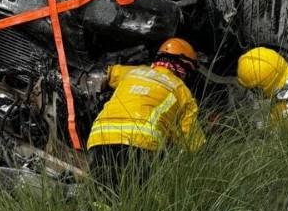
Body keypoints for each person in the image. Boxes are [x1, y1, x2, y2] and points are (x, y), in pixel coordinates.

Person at [87, 37, 205, 188]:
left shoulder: (135, 71)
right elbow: (193, 143)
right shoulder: (182, 91)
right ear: (185, 68)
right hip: (141, 145)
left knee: (101, 191)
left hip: (100, 137)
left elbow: (109, 72)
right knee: (133, 196)